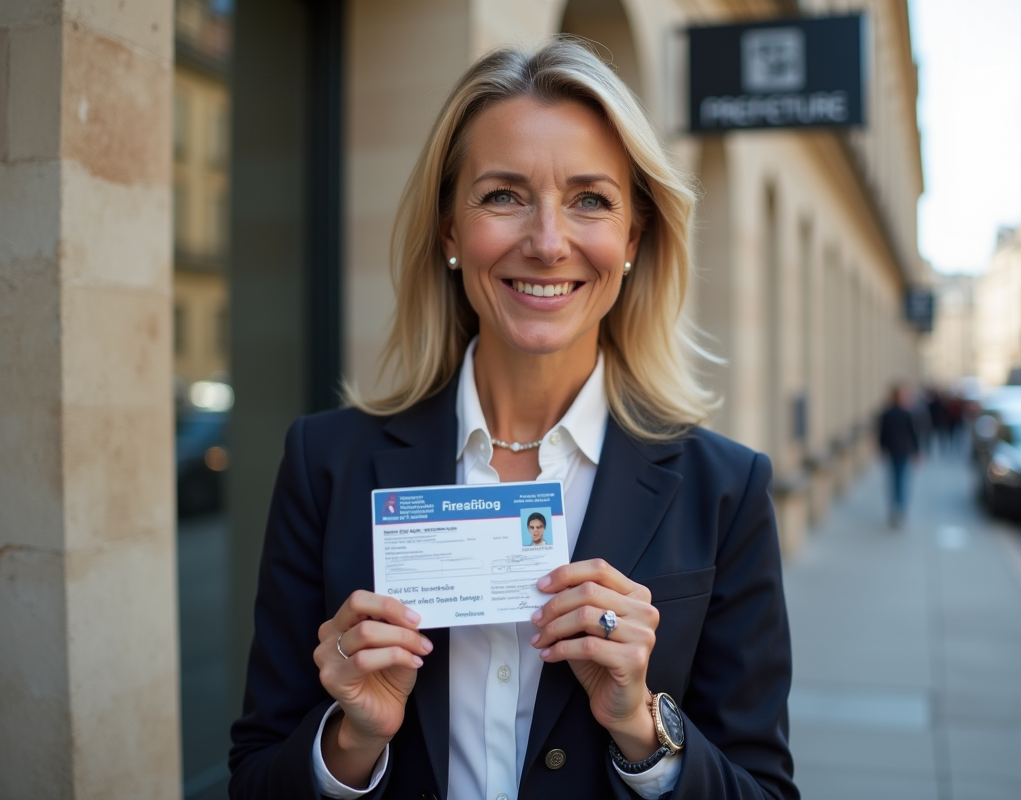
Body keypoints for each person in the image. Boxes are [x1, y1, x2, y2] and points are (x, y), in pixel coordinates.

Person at [229, 40, 798, 800]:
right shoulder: (325, 464)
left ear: (632, 238)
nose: (548, 242)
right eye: (503, 196)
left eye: (590, 200)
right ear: (448, 231)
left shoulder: (725, 489)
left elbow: (763, 789)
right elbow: (255, 776)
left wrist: (642, 728)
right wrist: (350, 741)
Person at [878, 384, 920, 528]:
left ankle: (895, 508)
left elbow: (882, 434)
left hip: (892, 451)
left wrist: (882, 449)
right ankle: (900, 509)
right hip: (903, 451)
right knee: (901, 480)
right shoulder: (905, 413)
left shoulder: (887, 413)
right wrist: (916, 451)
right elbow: (913, 434)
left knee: (894, 480)